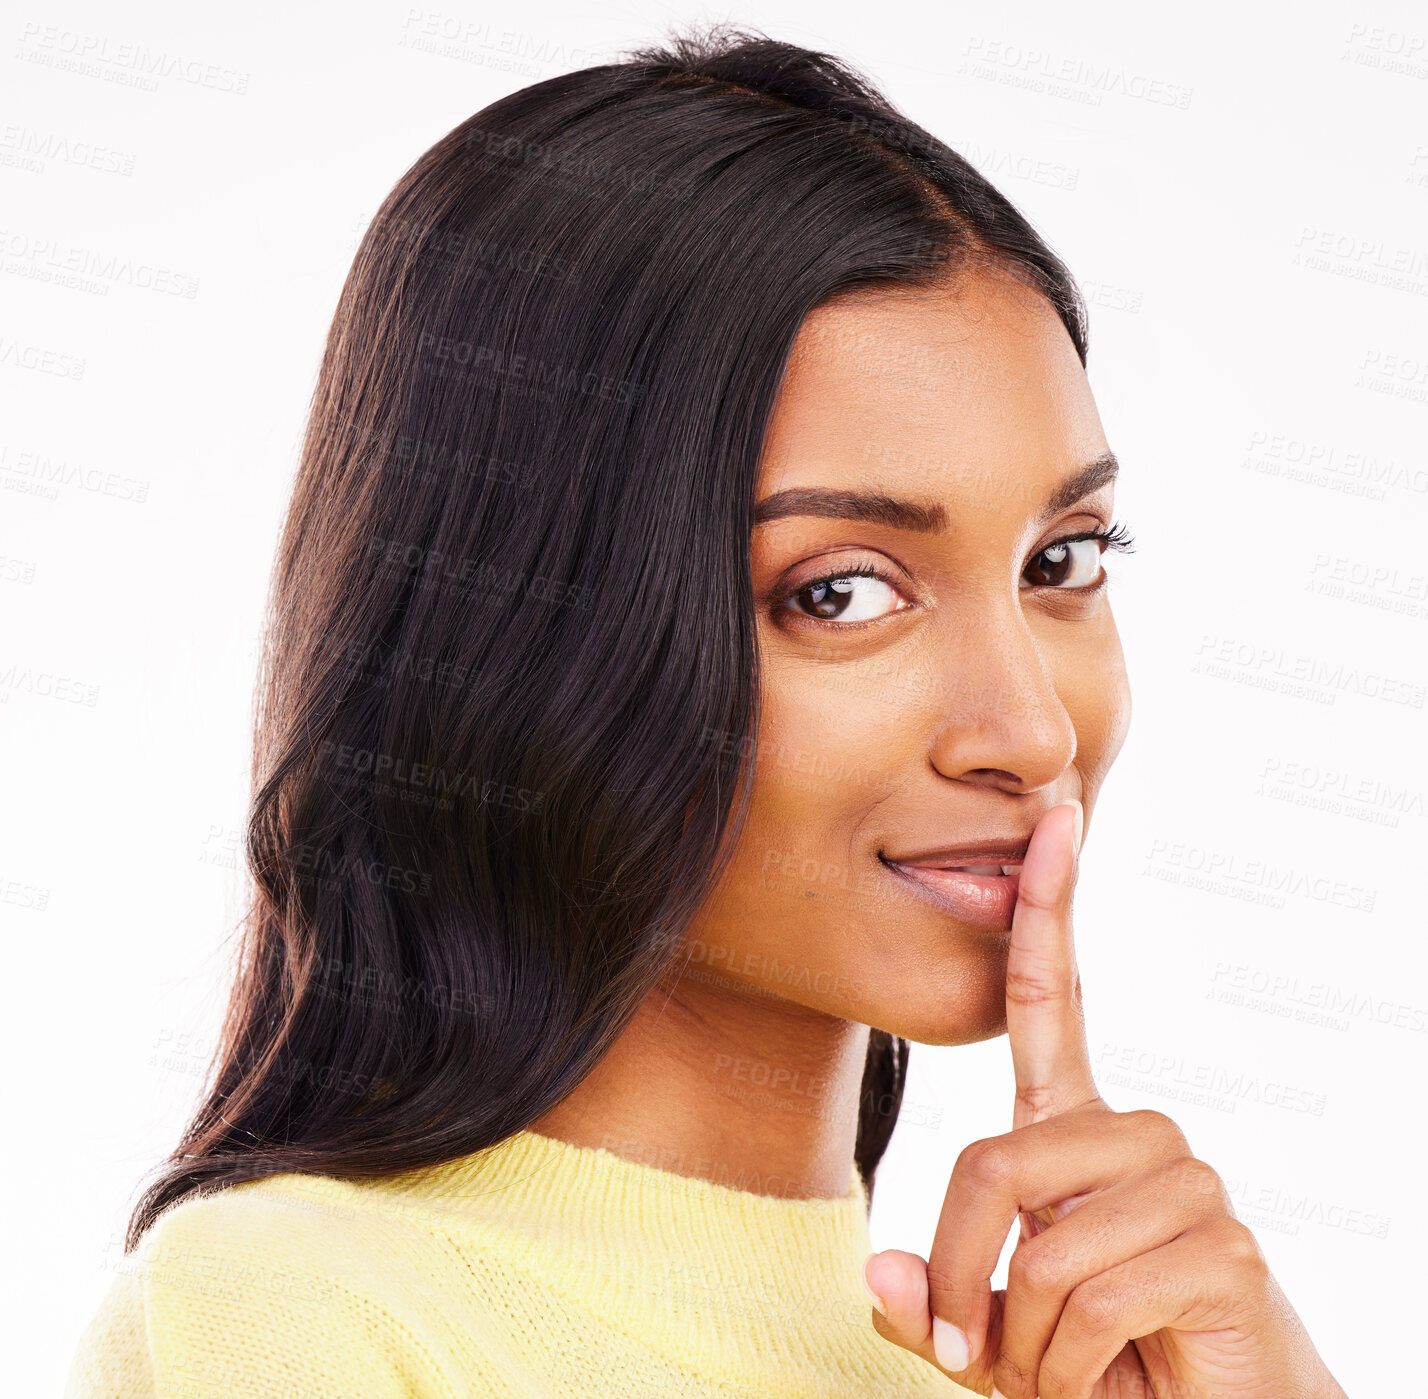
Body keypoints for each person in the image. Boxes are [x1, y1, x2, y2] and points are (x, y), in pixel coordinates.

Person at [66, 25, 1347, 1398]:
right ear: (525, 630)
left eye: (1062, 562)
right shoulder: (292, 1314)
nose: (1032, 735)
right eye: (842, 592)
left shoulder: (1079, 1377)